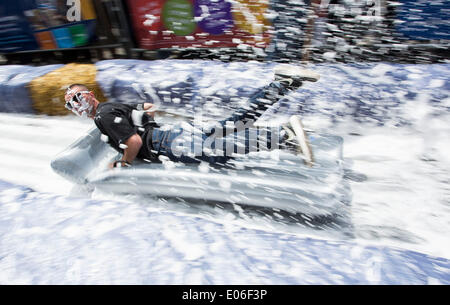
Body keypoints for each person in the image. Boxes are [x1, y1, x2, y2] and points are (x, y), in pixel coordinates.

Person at [64, 65, 319, 168]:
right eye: (71, 103)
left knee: (225, 148)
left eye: (77, 97)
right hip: (172, 134)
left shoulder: (102, 116)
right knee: (232, 125)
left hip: (169, 143)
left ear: (89, 96)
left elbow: (134, 143)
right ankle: (279, 87)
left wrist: (123, 162)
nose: (76, 104)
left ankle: (284, 136)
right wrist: (149, 125)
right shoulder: (111, 106)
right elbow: (148, 106)